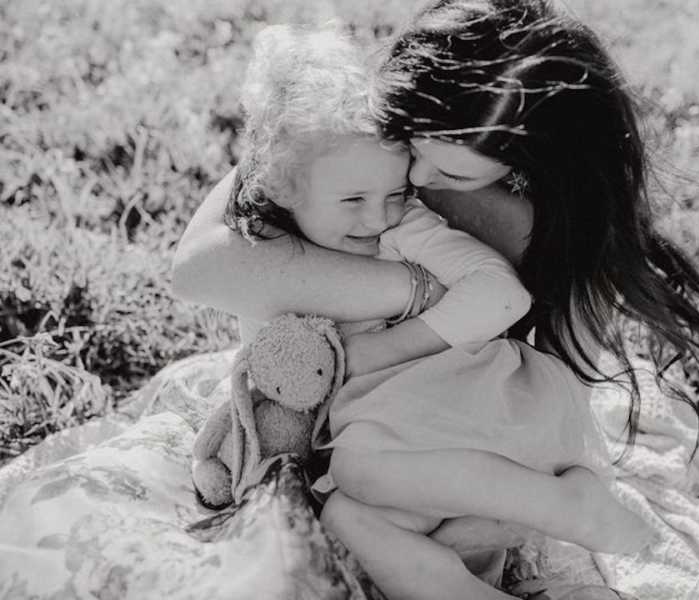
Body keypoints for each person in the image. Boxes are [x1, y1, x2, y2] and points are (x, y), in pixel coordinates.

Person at [222, 23, 652, 600]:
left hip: (473, 409)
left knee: (358, 472)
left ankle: (563, 503)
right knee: (347, 519)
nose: (378, 216)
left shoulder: (408, 226)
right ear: (281, 186)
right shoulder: (275, 245)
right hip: (411, 447)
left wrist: (390, 345)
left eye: (394, 192)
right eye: (354, 200)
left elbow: (505, 296)